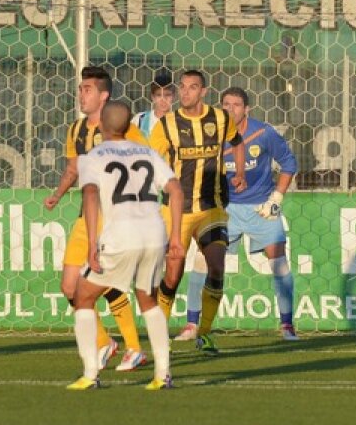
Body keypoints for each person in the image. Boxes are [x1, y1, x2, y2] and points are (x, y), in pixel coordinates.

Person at [67, 100, 184, 390]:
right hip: (155, 234)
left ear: (102, 125)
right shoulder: (148, 153)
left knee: (82, 296)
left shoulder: (93, 156)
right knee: (148, 300)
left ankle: (90, 374)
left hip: (121, 235)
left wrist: (93, 242)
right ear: (129, 125)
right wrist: (177, 236)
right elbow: (176, 189)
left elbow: (91, 195)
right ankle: (163, 374)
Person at [44, 66, 148, 372]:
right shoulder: (77, 129)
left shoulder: (122, 126)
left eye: (87, 89)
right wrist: (58, 193)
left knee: (103, 280)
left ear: (104, 96)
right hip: (85, 214)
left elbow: (148, 159)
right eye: (80, 88)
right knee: (69, 287)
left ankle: (134, 348)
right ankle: (105, 342)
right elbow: (74, 167)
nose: (81, 94)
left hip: (115, 215)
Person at [183, 87, 300, 341]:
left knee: (279, 262)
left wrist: (276, 198)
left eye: (236, 105)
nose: (230, 109)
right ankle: (192, 324)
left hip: (261, 208)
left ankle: (287, 325)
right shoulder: (209, 134)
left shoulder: (263, 133)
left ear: (246, 109)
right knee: (203, 261)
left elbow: (289, 163)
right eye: (225, 104)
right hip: (224, 209)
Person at [148, 70, 247, 355]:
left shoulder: (220, 118)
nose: (185, 92)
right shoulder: (166, 124)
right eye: (183, 87)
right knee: (172, 275)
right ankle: (160, 335)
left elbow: (237, 143)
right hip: (177, 210)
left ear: (203, 91)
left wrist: (240, 172)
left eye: (192, 88)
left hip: (211, 207)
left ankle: (204, 333)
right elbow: (151, 161)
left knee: (216, 266)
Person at [133, 71, 175, 139]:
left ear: (173, 96)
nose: (163, 99)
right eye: (159, 95)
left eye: (167, 95)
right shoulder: (140, 119)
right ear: (152, 97)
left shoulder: (179, 122)